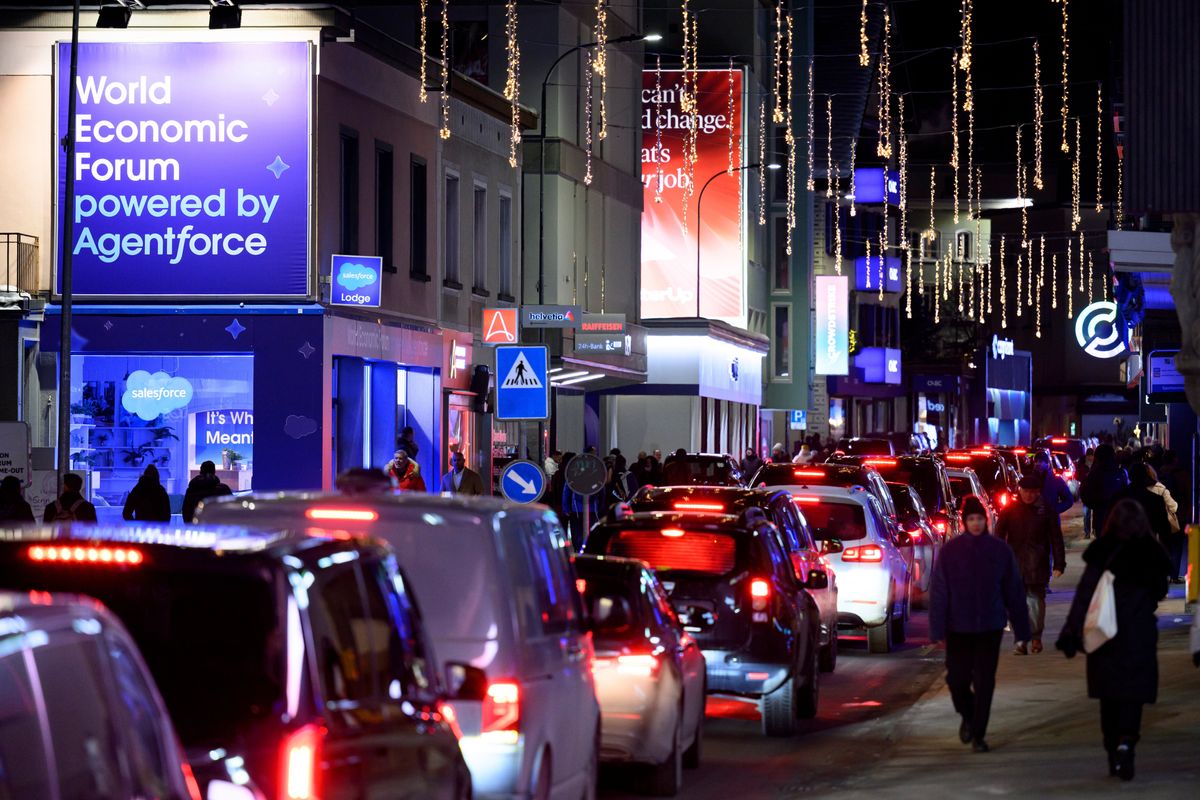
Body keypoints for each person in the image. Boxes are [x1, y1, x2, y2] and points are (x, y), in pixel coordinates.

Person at [1056, 500, 1171, 781]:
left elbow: (1085, 594)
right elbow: (1160, 590)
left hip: (1104, 633)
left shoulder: (1103, 551)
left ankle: (1112, 749)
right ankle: (1127, 742)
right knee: (1133, 694)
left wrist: (1071, 632)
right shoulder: (1151, 552)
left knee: (1109, 696)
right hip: (1139, 633)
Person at [931, 496, 1031, 753]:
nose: (976, 523)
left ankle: (978, 734)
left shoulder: (999, 550)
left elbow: (1014, 591)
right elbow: (940, 591)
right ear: (964, 521)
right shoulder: (951, 551)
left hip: (990, 626)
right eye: (971, 519)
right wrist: (937, 627)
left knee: (985, 682)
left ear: (986, 520)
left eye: (979, 519)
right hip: (958, 628)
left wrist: (1022, 630)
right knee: (957, 680)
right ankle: (968, 714)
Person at [996, 471, 1066, 655]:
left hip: (1038, 563)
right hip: (1014, 563)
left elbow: (1056, 538)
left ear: (1038, 492)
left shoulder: (1046, 510)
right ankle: (1021, 641)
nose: (1028, 495)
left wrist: (1059, 564)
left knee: (1035, 601)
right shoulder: (1009, 510)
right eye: (1025, 491)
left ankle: (1035, 638)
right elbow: (998, 536)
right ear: (1019, 491)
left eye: (1033, 491)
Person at [1156, 450, 1191, 583]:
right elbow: (1188, 494)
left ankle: (1164, 574)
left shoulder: (1158, 475)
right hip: (1179, 515)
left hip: (1162, 515)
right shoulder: (1182, 475)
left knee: (1164, 544)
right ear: (1175, 459)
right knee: (1177, 545)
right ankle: (1174, 576)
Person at [1080, 444, 1130, 535]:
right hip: (1118, 517)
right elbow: (1127, 494)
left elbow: (1085, 495)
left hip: (1101, 518)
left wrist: (1097, 505)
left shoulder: (1094, 474)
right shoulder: (1120, 472)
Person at [1118, 463, 1172, 543]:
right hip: (1148, 544)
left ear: (1129, 476)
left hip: (1124, 544)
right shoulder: (1156, 499)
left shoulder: (1120, 497)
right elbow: (1164, 528)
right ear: (1146, 476)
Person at [1033, 452, 1074, 518]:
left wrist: (1053, 509)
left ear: (1047, 463)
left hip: (1051, 521)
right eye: (1035, 461)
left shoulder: (1056, 480)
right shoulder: (1031, 480)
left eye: (1040, 461)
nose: (1037, 463)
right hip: (1033, 521)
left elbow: (1069, 500)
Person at [1077, 448, 1096, 538]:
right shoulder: (1082, 465)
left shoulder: (1096, 465)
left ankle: (1095, 530)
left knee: (1095, 514)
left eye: (1091, 456)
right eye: (1089, 456)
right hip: (1086, 493)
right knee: (1086, 514)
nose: (1090, 458)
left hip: (1095, 492)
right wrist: (1085, 476)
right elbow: (1078, 476)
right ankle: (1087, 532)